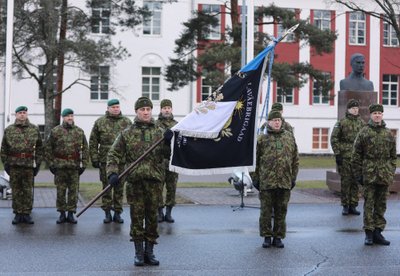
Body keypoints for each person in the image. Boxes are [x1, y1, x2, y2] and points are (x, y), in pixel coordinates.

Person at [107, 97, 167, 266]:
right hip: (135, 183)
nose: (146, 112)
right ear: (136, 112)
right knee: (137, 217)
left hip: (155, 182)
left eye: (148, 109)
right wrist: (112, 173)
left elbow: (169, 154)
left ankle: (150, 252)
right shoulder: (127, 133)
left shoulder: (160, 132)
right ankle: (139, 253)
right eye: (142, 110)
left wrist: (170, 141)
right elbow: (113, 154)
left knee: (153, 218)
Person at [253, 110, 299, 249]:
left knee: (281, 211)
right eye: (274, 120)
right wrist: (255, 179)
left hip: (284, 181)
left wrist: (293, 178)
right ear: (269, 122)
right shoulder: (262, 139)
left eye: (279, 120)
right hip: (267, 182)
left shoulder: (289, 137)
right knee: (266, 211)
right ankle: (267, 236)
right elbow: (254, 161)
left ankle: (278, 237)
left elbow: (295, 160)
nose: (277, 122)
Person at [352, 104, 396, 246]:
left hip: (384, 175)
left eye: (379, 113)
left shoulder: (388, 133)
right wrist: (359, 174)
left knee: (381, 205)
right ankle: (369, 233)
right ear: (370, 115)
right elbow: (356, 155)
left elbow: (393, 156)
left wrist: (390, 170)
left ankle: (378, 232)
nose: (377, 115)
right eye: (375, 113)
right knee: (369, 204)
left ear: (382, 115)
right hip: (369, 174)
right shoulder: (364, 132)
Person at [89, 99, 131, 224]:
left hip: (122, 161)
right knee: (106, 187)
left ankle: (118, 213)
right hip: (105, 161)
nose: (116, 109)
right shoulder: (100, 122)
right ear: (108, 108)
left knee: (119, 188)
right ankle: (107, 213)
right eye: (113, 107)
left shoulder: (127, 122)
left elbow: (131, 141)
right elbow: (93, 142)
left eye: (117, 107)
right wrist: (94, 158)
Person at [45, 108, 89, 224]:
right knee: (61, 191)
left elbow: (85, 149)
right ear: (63, 117)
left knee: (73, 191)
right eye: (67, 116)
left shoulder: (79, 132)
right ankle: (62, 213)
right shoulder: (55, 131)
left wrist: (83, 165)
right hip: (60, 166)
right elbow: (48, 149)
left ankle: (70, 213)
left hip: (74, 166)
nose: (70, 118)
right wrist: (51, 164)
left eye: (71, 115)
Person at [1, 106, 43, 225]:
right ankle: (18, 213)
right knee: (17, 190)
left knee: (28, 190)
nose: (22, 115)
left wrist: (37, 164)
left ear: (27, 114)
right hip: (14, 165)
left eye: (24, 113)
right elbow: (4, 149)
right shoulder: (9, 130)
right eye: (20, 113)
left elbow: (40, 148)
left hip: (29, 165)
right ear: (16, 115)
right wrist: (6, 164)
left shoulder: (34, 129)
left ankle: (27, 213)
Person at [330, 99, 365, 216]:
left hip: (357, 158)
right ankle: (345, 205)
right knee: (346, 182)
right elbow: (334, 138)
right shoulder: (342, 122)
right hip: (345, 157)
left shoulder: (361, 123)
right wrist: (338, 154)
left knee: (356, 182)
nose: (355, 110)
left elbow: (365, 139)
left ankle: (353, 205)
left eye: (356, 108)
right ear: (348, 109)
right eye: (353, 108)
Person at [155, 99, 179, 223]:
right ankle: (159, 212)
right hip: (159, 161)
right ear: (161, 109)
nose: (167, 110)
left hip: (173, 161)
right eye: (164, 108)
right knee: (158, 187)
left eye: (169, 107)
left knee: (172, 187)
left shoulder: (177, 124)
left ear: (171, 109)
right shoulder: (155, 124)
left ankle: (169, 212)